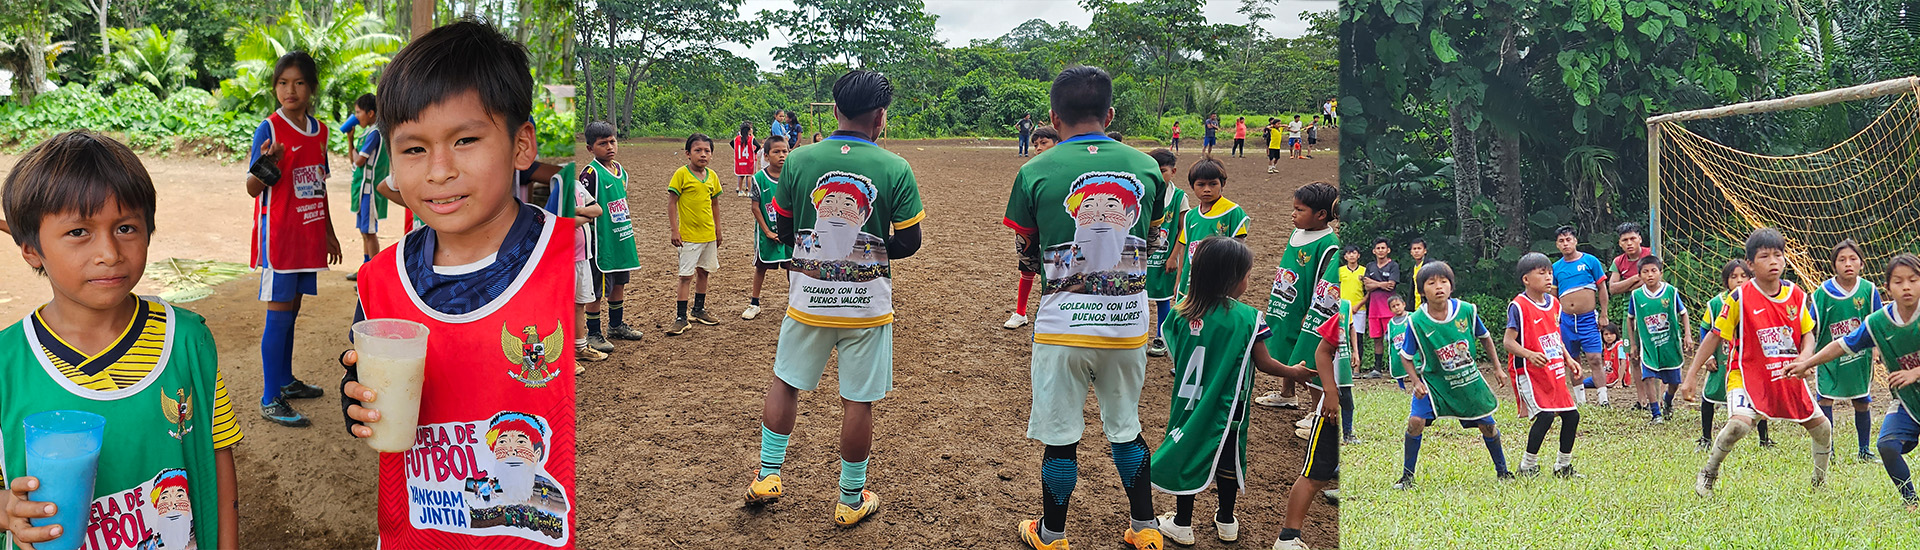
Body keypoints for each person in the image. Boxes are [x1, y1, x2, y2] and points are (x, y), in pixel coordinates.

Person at [337, 21, 577, 547]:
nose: (439, 170)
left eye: (465, 140)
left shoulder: (563, 256)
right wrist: (355, 400)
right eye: (414, 149)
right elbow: (363, 379)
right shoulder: (381, 279)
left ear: (520, 145)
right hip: (412, 533)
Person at [0, 130, 242, 550]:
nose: (110, 252)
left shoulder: (187, 342)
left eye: (126, 227)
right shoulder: (7, 364)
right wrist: (7, 509)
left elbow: (218, 457)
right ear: (31, 250)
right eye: (79, 232)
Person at [746, 70, 925, 530]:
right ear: (880, 118)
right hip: (867, 306)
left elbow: (784, 231)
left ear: (836, 108)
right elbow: (909, 242)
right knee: (857, 401)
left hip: (808, 297)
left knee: (786, 381)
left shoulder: (799, 160)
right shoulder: (895, 167)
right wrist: (867, 247)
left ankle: (768, 475)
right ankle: (850, 499)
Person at [1007, 65, 1167, 550]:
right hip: (1128, 324)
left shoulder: (1034, 170)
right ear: (1110, 114)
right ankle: (1147, 530)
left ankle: (1052, 534)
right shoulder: (1146, 168)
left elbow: (1027, 256)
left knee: (1061, 438)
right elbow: (1155, 237)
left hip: (1062, 328)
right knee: (1126, 428)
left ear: (1053, 118)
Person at [1147, 237, 1329, 548]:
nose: (1248, 281)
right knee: (1229, 461)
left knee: (1189, 453)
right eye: (1246, 275)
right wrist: (1294, 372)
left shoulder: (1179, 313)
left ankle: (1182, 523)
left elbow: (1178, 351)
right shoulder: (1248, 318)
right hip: (1230, 408)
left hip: (1189, 405)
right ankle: (1227, 520)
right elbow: (1265, 363)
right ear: (1231, 279)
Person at [1679, 227, 1833, 497]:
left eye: (1778, 255)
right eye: (1765, 256)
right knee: (1738, 425)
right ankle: (1708, 473)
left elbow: (1807, 333)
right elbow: (1715, 336)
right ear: (1750, 264)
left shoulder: (1795, 294)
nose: (1774, 261)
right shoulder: (1739, 298)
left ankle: (1819, 484)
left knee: (1822, 428)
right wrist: (1691, 374)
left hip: (1787, 374)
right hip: (1746, 374)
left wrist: (1805, 357)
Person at [245, 50, 337, 428]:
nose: (290, 90)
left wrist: (329, 232)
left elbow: (319, 183)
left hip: (308, 235)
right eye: (283, 83)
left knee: (292, 313)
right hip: (279, 239)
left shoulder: (321, 130)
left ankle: (285, 381)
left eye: (298, 82)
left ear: (312, 87)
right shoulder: (269, 129)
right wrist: (272, 163)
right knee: (278, 316)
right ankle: (270, 399)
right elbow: (252, 187)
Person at [1791, 253, 1920, 509]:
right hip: (1907, 402)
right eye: (1898, 281)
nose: (1906, 286)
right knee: (1887, 446)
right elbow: (1841, 344)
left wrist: (1915, 372)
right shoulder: (1878, 323)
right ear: (1887, 288)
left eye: (1914, 280)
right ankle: (1911, 502)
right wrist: (1806, 363)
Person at [1395, 261, 1514, 490]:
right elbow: (1406, 356)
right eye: (1431, 283)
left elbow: (1486, 338)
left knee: (1488, 426)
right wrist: (1415, 381)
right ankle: (1407, 478)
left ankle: (1503, 471)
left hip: (1467, 380)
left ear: (1451, 286)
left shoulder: (1467, 311)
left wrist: (1498, 368)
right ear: (1422, 290)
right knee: (1415, 422)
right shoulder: (1416, 321)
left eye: (1444, 281)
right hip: (1434, 383)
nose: (1439, 286)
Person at [1253, 183, 1341, 412]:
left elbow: (1324, 282)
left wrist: (1309, 313)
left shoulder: (1329, 245)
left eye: (1300, 210)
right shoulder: (1296, 233)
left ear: (1321, 215)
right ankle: (1287, 393)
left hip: (1305, 311)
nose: (1293, 214)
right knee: (1283, 345)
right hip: (1285, 306)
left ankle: (1315, 409)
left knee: (1309, 354)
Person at [1503, 252, 1583, 478]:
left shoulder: (1555, 304)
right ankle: (1528, 465)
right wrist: (1529, 354)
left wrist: (1568, 358)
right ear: (1526, 279)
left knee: (1571, 415)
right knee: (1546, 415)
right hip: (1529, 371)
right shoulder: (1518, 306)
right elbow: (1508, 342)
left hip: (1554, 368)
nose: (1549, 278)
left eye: (1550, 273)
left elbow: (1555, 336)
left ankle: (1563, 466)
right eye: (1542, 273)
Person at [1812, 239, 1883, 463]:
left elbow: (1879, 322)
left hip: (1858, 358)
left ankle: (1864, 450)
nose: (1848, 264)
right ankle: (1828, 450)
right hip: (1829, 357)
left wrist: (1877, 349)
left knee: (1862, 401)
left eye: (1853, 259)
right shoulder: (1822, 293)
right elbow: (1810, 324)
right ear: (1834, 265)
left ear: (1862, 263)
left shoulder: (1869, 290)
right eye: (1842, 260)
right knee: (1826, 400)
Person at [1698, 260, 1775, 450]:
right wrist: (1708, 357)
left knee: (1758, 397)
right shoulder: (1716, 303)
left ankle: (1764, 439)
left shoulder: (1759, 299)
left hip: (1750, 360)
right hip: (1722, 358)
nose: (1739, 281)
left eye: (1744, 276)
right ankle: (1706, 438)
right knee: (1709, 396)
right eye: (1734, 277)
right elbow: (1705, 329)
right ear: (1726, 281)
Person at [579, 122, 643, 349]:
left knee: (619, 283)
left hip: (621, 238)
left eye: (612, 141)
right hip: (601, 241)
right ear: (590, 148)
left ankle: (616, 325)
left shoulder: (621, 170)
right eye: (602, 143)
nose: (609, 147)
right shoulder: (590, 174)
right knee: (597, 290)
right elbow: (584, 205)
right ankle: (593, 333)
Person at [665, 134, 725, 335]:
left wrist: (718, 229)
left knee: (704, 271)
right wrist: (675, 229)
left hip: (708, 234)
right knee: (685, 276)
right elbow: (672, 203)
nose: (703, 154)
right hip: (689, 236)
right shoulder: (681, 174)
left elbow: (715, 203)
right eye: (698, 150)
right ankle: (681, 317)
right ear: (687, 153)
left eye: (707, 151)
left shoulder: (712, 176)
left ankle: (698, 309)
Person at [1169, 158, 1249, 299]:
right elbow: (1185, 250)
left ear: (1222, 184)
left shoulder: (1232, 211)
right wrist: (1178, 281)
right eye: (1201, 184)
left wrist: (1232, 285)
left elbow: (1239, 252)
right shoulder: (1190, 216)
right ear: (1192, 186)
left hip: (1218, 283)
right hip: (1190, 282)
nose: (1207, 189)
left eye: (1213, 184)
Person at [1626, 255, 1691, 424]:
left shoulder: (1671, 292)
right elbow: (1630, 318)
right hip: (1648, 345)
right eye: (1645, 272)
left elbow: (1683, 313)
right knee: (1647, 376)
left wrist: (1688, 336)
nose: (1650, 275)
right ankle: (1656, 413)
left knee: (1675, 381)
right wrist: (1633, 343)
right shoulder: (1636, 295)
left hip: (1669, 344)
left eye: (1654, 271)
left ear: (1661, 273)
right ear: (1640, 275)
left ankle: (1667, 400)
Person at [1552, 226, 1611, 406]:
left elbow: (1602, 288)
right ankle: (1580, 401)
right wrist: (1554, 319)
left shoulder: (1590, 261)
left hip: (1587, 319)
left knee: (1595, 358)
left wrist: (1604, 314)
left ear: (1575, 241)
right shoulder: (1555, 268)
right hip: (1566, 321)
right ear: (1557, 245)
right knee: (1572, 359)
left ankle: (1603, 399)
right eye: (1561, 241)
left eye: (1568, 239)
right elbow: (1553, 297)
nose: (1565, 244)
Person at [1142, 148, 1186, 355]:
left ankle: (1161, 338)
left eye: (1163, 170)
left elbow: (1182, 229)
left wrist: (1173, 257)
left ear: (1173, 171)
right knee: (1138, 296)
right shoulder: (1143, 193)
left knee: (1163, 298)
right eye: (1154, 170)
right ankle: (1138, 337)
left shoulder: (1179, 197)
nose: (1159, 175)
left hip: (1164, 258)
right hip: (1141, 257)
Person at [341, 93, 389, 282]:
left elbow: (359, 161)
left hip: (369, 190)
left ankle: (373, 274)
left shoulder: (375, 133)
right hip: (362, 190)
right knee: (364, 231)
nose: (356, 116)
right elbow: (354, 160)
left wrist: (352, 146)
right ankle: (365, 268)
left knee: (369, 232)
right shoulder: (367, 133)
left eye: (358, 112)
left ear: (370, 113)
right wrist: (350, 140)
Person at [745, 137, 792, 321]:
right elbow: (755, 207)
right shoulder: (758, 179)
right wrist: (767, 232)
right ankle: (754, 303)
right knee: (761, 267)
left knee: (792, 268)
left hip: (788, 232)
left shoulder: (792, 177)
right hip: (767, 232)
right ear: (766, 155)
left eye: (785, 151)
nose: (781, 155)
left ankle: (795, 303)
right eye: (776, 152)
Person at [1362, 239, 1401, 378]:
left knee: (1392, 339)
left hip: (1389, 308)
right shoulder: (1370, 266)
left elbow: (1391, 285)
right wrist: (1381, 284)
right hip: (1374, 309)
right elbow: (1367, 286)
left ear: (1388, 250)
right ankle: (1377, 369)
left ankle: (1396, 368)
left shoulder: (1393, 266)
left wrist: (1374, 283)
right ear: (1374, 251)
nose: (1380, 250)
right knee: (1377, 339)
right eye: (1378, 248)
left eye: (1383, 248)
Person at [1338, 246, 1366, 373]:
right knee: (1343, 336)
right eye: (1349, 253)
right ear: (1345, 257)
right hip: (1343, 308)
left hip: (1359, 308)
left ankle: (1357, 367)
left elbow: (1368, 291)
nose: (1352, 256)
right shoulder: (1340, 271)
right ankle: (1344, 366)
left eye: (1354, 253)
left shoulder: (1364, 271)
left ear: (1358, 255)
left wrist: (1359, 305)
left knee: (1358, 337)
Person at [1606, 222, 1653, 296]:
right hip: (1630, 301)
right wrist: (1635, 278)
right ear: (1620, 243)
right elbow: (1612, 289)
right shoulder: (1618, 261)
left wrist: (1628, 287)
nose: (1629, 243)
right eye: (1625, 240)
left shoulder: (1651, 254)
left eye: (1633, 239)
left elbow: (1657, 278)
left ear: (1640, 239)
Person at [731, 122, 758, 197]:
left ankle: (740, 191)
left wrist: (736, 150)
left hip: (740, 160)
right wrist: (754, 152)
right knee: (749, 175)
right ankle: (749, 192)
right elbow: (758, 146)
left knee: (741, 175)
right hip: (748, 160)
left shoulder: (737, 139)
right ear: (749, 130)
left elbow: (731, 143)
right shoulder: (751, 139)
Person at [1409, 238, 1430, 309]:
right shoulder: (1414, 268)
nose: (1416, 251)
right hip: (1416, 306)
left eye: (1419, 248)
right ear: (1411, 252)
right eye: (1414, 249)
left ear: (1425, 251)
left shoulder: (1429, 265)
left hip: (1428, 305)